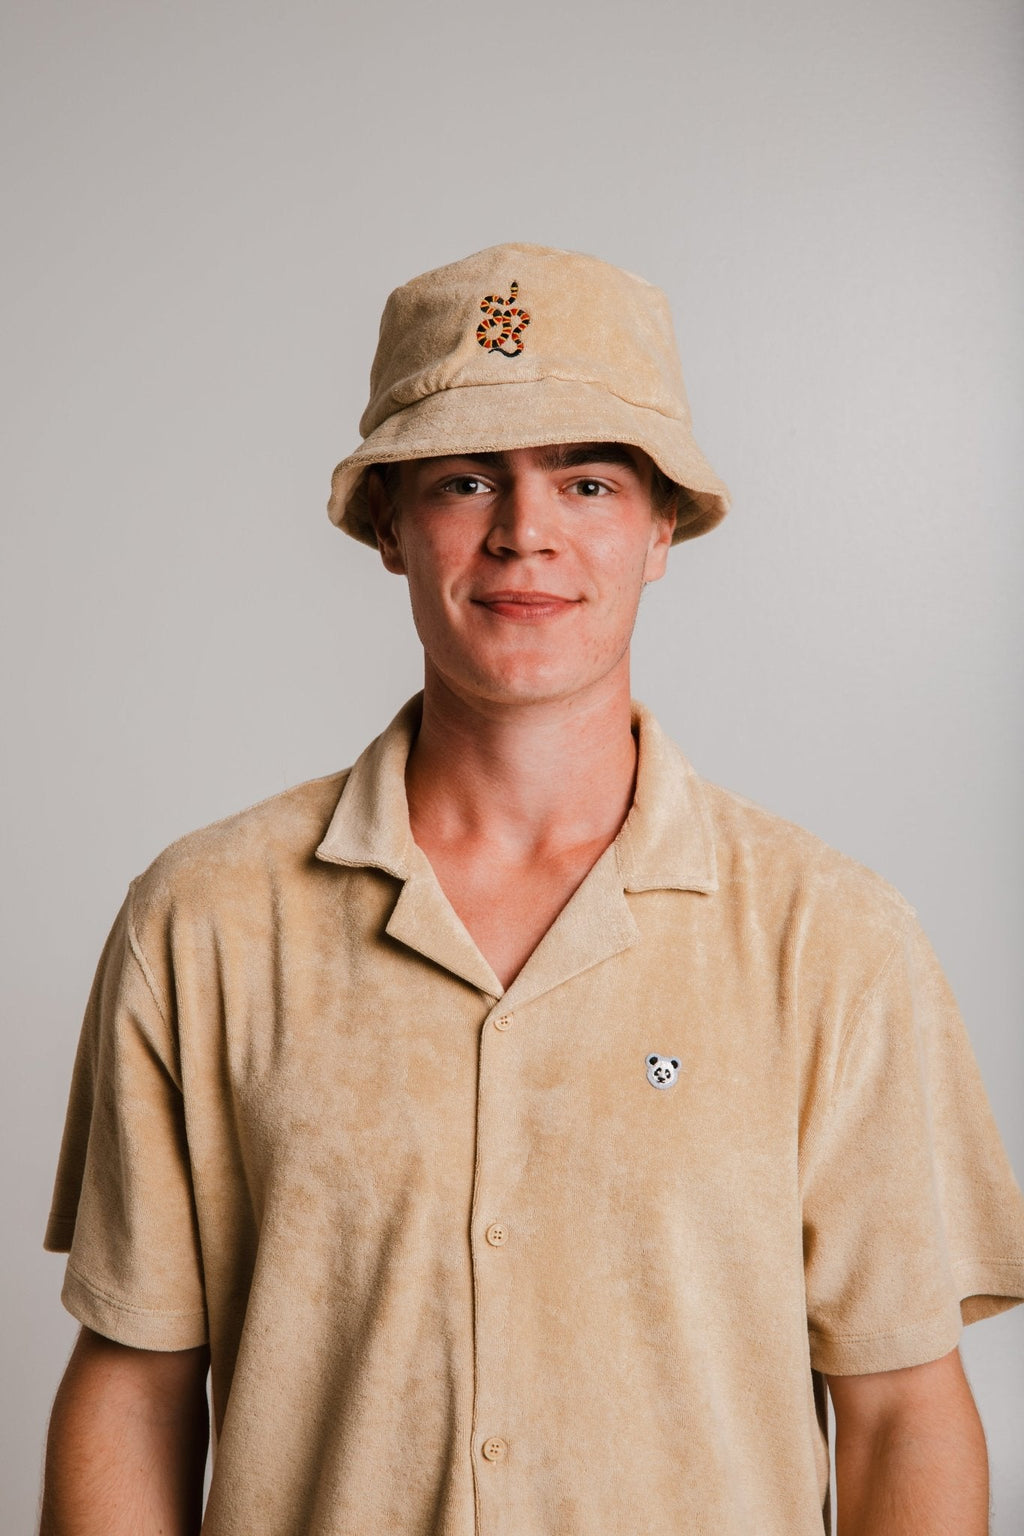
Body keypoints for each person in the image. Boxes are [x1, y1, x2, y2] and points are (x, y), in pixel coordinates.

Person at [41, 243, 1024, 1536]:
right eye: (465, 479)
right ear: (387, 524)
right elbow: (134, 1386)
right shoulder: (201, 924)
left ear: (663, 526)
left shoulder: (834, 941)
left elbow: (902, 1415)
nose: (525, 531)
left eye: (588, 480)